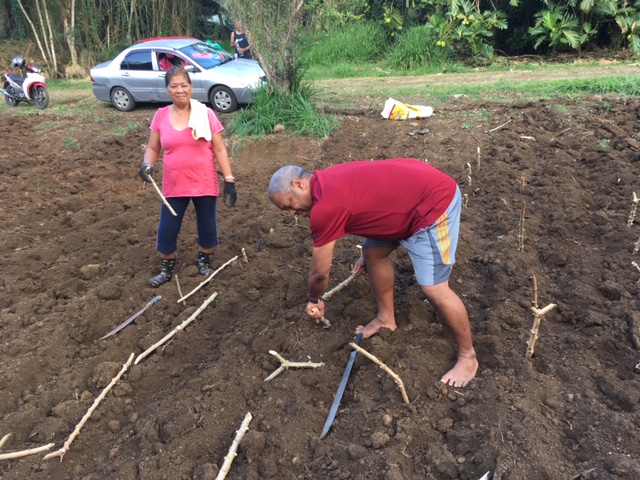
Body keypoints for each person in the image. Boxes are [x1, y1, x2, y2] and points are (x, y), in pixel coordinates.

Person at [267, 159, 478, 387]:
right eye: (286, 210)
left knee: (433, 288)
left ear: (299, 184)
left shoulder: (324, 208)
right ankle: (386, 319)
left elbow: (319, 274)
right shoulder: (325, 181)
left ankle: (468, 357)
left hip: (432, 204)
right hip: (407, 199)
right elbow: (369, 202)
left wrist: (314, 299)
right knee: (372, 252)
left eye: (289, 204)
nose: (292, 213)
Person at [139, 66, 237, 288]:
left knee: (207, 226)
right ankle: (167, 267)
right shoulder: (161, 116)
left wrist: (229, 179)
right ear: (167, 90)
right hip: (174, 184)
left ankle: (204, 261)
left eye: (184, 85)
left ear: (191, 88)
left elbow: (219, 149)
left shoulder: (206, 114)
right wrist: (147, 164)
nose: (179, 90)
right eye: (174, 86)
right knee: (167, 228)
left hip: (204, 181)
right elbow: (153, 148)